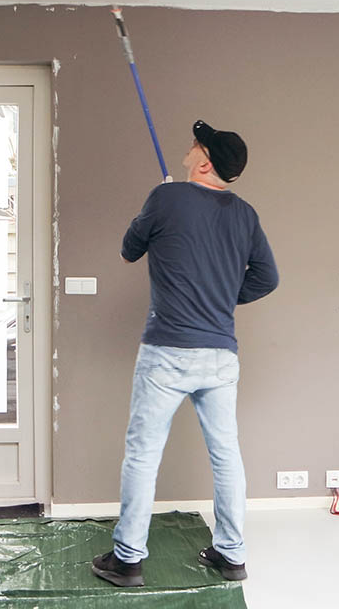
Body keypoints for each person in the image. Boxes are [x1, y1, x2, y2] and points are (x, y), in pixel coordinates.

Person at [91, 119, 279, 588]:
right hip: (220, 356)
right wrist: (218, 296)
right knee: (226, 454)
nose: (189, 148)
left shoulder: (167, 198)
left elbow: (128, 249)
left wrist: (157, 204)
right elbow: (267, 277)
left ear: (204, 162)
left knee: (142, 454)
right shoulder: (246, 214)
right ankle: (231, 555)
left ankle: (128, 559)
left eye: (195, 145)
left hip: (168, 353)